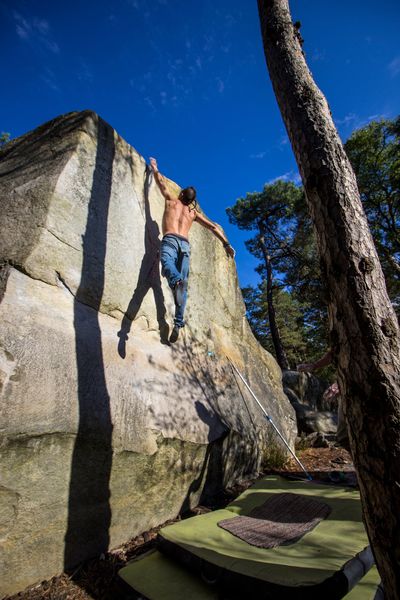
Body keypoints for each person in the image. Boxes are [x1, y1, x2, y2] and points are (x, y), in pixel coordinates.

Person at [149, 157, 235, 343]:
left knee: (167, 263)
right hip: (185, 246)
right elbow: (213, 227)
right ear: (192, 200)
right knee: (182, 290)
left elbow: (161, 183)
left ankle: (176, 280)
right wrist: (226, 244)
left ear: (181, 194)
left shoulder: (172, 200)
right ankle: (178, 323)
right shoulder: (193, 213)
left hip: (171, 239)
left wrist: (155, 168)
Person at [297, 350, 349, 450]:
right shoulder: (341, 338)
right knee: (343, 437)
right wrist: (314, 366)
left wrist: (342, 383)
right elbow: (334, 351)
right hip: (347, 392)